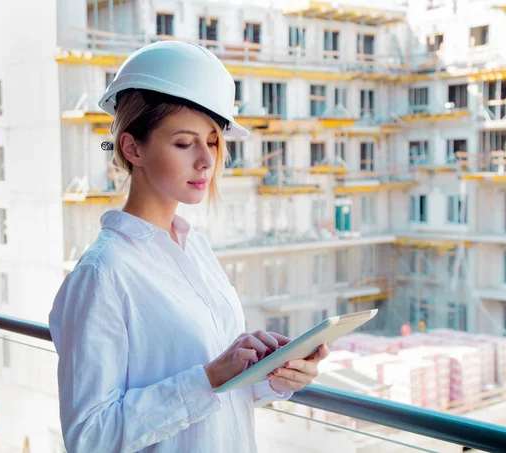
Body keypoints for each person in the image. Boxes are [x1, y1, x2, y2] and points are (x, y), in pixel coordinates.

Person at [49, 41, 329, 453]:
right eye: (184, 143)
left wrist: (270, 374)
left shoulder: (195, 251)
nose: (206, 161)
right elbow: (90, 437)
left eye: (213, 143)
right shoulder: (103, 273)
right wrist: (210, 377)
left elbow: (217, 400)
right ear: (132, 148)